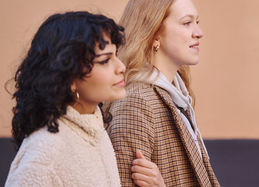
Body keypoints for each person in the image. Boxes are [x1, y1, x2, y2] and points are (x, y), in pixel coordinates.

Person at [5, 11, 165, 187]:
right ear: (70, 78)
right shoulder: (46, 153)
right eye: (105, 60)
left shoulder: (96, 133)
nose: (121, 67)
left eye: (116, 55)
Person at [106, 0, 220, 187]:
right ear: (154, 34)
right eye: (187, 23)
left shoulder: (177, 96)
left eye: (197, 22)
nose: (199, 33)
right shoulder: (137, 102)